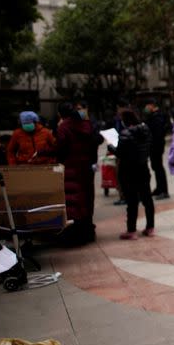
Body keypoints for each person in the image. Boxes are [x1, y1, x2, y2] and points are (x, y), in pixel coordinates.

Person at [56, 102, 101, 245]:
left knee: (73, 202)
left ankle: (76, 235)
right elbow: (95, 142)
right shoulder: (87, 124)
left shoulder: (63, 127)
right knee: (87, 198)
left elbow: (60, 149)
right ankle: (88, 231)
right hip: (87, 167)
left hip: (71, 169)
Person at [108, 110, 155, 240]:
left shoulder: (125, 134)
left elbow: (120, 153)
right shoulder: (146, 130)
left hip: (128, 171)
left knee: (132, 201)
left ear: (125, 120)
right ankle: (150, 228)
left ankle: (131, 230)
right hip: (143, 168)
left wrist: (110, 147)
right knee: (147, 199)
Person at [143, 98, 169, 199]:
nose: (145, 108)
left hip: (156, 146)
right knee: (156, 167)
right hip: (154, 146)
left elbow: (157, 134)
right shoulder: (153, 116)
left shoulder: (157, 117)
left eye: (147, 106)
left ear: (151, 105)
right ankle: (159, 188)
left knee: (158, 168)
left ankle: (164, 191)